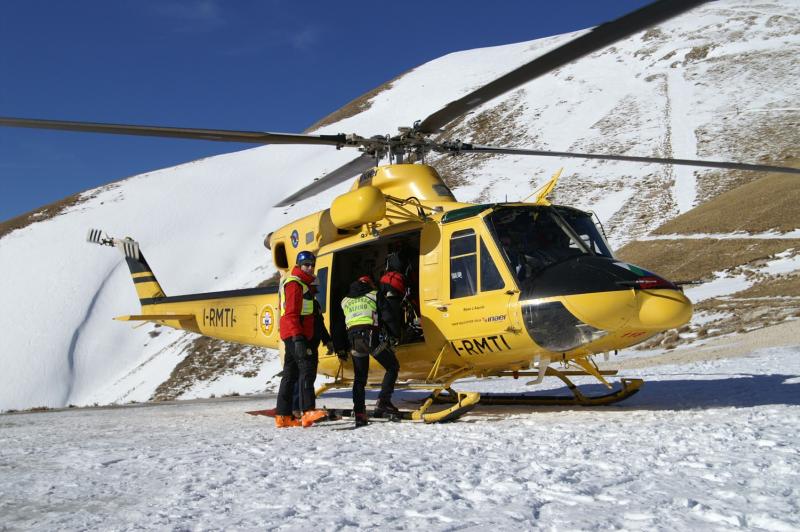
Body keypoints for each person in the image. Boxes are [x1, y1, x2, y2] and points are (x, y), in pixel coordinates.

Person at [274, 251, 327, 428]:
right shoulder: (295, 284)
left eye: (312, 264)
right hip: (297, 335)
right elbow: (291, 314)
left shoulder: (304, 284)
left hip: (294, 334)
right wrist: (298, 339)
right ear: (299, 265)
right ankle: (307, 411)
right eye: (306, 264)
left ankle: (283, 416)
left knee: (290, 374)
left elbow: (313, 316)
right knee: (307, 370)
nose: (310, 267)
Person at [341, 275, 400, 427]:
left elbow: (338, 325)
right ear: (370, 284)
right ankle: (383, 401)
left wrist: (340, 346)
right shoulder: (374, 294)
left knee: (360, 377)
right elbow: (388, 316)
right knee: (392, 366)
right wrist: (395, 335)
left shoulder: (345, 300)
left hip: (354, 341)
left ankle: (360, 413)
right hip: (371, 339)